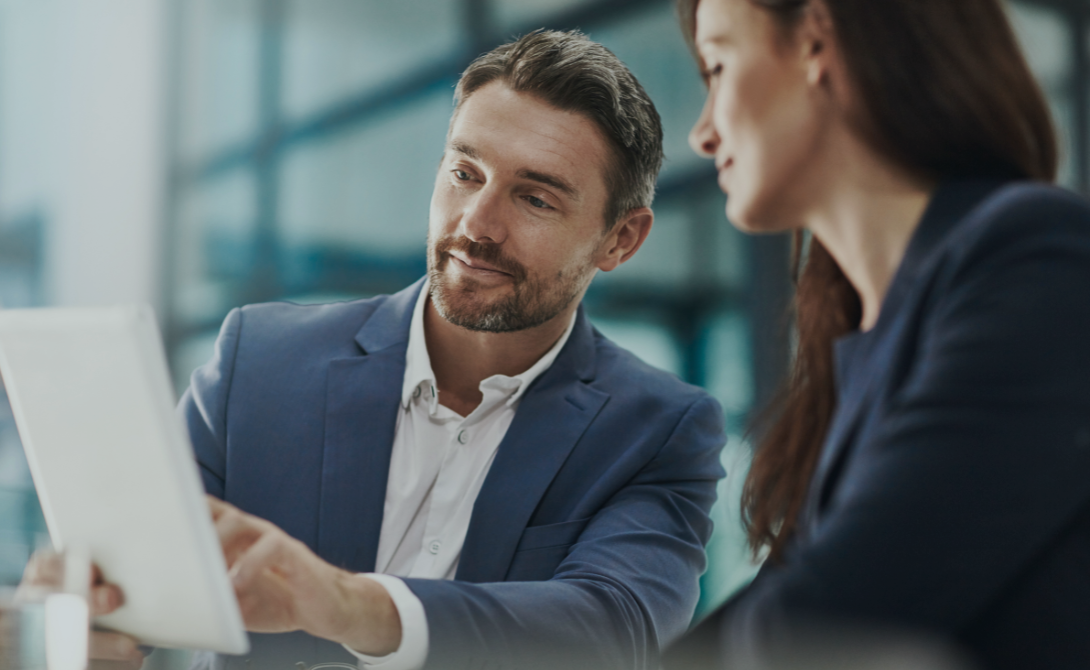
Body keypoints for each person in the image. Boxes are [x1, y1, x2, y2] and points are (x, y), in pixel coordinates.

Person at [159, 29, 725, 670]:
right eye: (465, 173)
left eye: (534, 198)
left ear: (620, 240)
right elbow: (142, 572)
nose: (476, 225)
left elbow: (610, 626)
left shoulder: (656, 430)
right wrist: (92, 627)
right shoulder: (257, 361)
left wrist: (350, 604)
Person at [663, 0, 1090, 668]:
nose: (702, 133)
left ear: (815, 40)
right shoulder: (861, 351)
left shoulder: (1039, 258)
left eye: (718, 65)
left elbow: (814, 625)